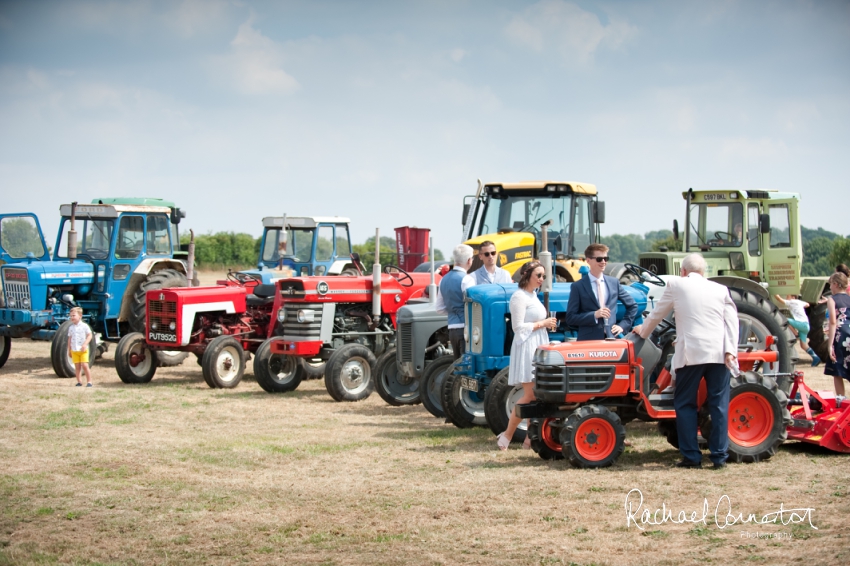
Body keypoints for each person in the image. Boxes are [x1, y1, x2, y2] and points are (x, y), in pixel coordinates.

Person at [633, 254, 739, 469]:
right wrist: (730, 351)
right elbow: (732, 321)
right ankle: (719, 456)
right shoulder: (720, 289)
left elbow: (657, 314)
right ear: (703, 272)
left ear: (683, 271)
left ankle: (692, 456)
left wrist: (642, 332)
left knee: (685, 404)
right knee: (719, 405)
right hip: (718, 353)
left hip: (692, 354)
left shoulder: (676, 284)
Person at [497, 261, 557, 450]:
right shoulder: (519, 297)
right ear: (526, 275)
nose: (541, 279)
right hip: (527, 345)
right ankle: (506, 436)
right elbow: (517, 327)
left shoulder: (533, 295)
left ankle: (529, 439)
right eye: (538, 275)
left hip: (538, 343)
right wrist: (543, 323)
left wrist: (546, 325)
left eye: (543, 276)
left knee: (536, 395)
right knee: (529, 394)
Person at [565, 243, 638, 340]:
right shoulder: (577, 286)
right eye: (599, 259)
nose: (603, 262)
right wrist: (594, 315)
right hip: (588, 341)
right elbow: (570, 318)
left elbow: (632, 306)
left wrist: (622, 326)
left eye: (606, 259)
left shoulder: (614, 283)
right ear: (588, 260)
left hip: (611, 339)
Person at [434, 244, 475, 360]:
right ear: (469, 260)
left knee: (458, 364)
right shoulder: (467, 279)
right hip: (466, 328)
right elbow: (473, 306)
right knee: (468, 365)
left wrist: (453, 311)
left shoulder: (443, 280)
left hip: (452, 328)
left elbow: (439, 308)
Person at [774, 294, 821, 366]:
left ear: (793, 297)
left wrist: (775, 294)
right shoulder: (799, 302)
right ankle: (815, 357)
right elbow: (807, 304)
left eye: (788, 296)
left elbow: (780, 300)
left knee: (785, 320)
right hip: (806, 325)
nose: (787, 298)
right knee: (803, 345)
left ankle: (795, 333)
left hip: (801, 324)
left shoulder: (793, 301)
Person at [825, 272, 850, 398]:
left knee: (837, 370)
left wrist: (830, 345)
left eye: (830, 285)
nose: (830, 288)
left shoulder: (832, 299)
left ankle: (841, 400)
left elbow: (833, 321)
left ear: (835, 284)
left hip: (841, 334)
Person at [67, 307, 93, 387]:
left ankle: (89, 381)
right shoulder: (71, 328)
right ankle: (79, 381)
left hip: (83, 350)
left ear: (80, 316)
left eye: (74, 315)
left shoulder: (84, 326)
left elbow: (90, 335)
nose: (72, 317)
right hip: (74, 350)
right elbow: (69, 339)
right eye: (70, 316)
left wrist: (85, 344)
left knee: (84, 365)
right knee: (77, 367)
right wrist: (69, 349)